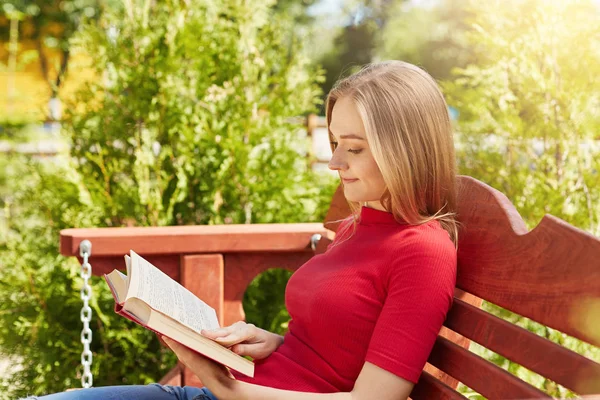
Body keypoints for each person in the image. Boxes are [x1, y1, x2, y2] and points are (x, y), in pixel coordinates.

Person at [29, 60, 458, 400]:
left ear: (404, 150)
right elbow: (336, 347)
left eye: (355, 148)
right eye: (334, 144)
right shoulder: (360, 225)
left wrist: (229, 388)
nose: (334, 163)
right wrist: (271, 343)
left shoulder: (423, 251)